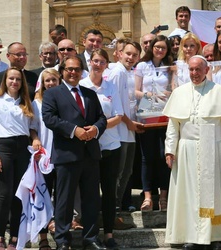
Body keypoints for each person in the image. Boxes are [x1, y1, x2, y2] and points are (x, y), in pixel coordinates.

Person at [163, 55, 221, 250]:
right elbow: (173, 126)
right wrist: (170, 150)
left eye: (198, 69)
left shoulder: (218, 91)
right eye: (191, 70)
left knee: (214, 194)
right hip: (186, 150)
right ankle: (191, 236)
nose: (194, 73)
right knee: (189, 194)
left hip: (213, 147)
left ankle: (216, 236)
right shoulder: (179, 93)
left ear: (206, 69)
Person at [42, 56, 107, 250]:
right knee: (64, 200)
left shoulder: (89, 93)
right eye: (69, 69)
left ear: (81, 71)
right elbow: (49, 118)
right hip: (66, 154)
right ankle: (62, 240)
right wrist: (74, 130)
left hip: (90, 154)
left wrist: (94, 130)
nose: (73, 72)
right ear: (62, 71)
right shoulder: (53, 93)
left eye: (77, 69)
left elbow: (101, 118)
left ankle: (91, 238)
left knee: (91, 199)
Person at [0, 67, 38, 250]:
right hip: (4, 147)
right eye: (11, 79)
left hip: (22, 148)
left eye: (18, 79)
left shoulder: (26, 102)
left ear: (22, 82)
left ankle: (15, 237)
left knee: (18, 196)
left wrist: (36, 139)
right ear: (5, 81)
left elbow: (32, 127)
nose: (14, 82)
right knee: (4, 194)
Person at [80, 49, 123, 249]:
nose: (98, 64)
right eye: (95, 61)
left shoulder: (111, 87)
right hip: (88, 147)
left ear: (107, 65)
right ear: (90, 62)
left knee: (108, 192)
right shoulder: (81, 86)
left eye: (102, 61)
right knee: (89, 192)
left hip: (110, 146)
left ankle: (108, 233)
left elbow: (118, 116)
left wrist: (98, 128)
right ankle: (90, 234)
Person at [134, 35, 173, 212]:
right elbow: (136, 91)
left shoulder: (171, 66)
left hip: (165, 115)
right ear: (151, 48)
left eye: (163, 47)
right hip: (147, 114)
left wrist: (167, 93)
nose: (159, 50)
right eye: (157, 46)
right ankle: (148, 196)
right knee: (147, 157)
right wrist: (149, 95)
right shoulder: (142, 66)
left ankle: (164, 197)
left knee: (164, 155)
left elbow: (174, 88)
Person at [107, 42, 143, 216]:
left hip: (129, 131)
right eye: (128, 54)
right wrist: (129, 123)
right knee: (118, 173)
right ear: (119, 53)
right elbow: (115, 102)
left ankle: (117, 207)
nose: (131, 58)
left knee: (127, 172)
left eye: (134, 55)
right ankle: (112, 210)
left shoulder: (128, 73)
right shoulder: (117, 72)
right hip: (119, 131)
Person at [31, 68, 61, 250]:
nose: (50, 83)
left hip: (63, 156)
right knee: (42, 197)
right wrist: (35, 138)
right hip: (44, 156)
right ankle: (43, 238)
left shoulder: (64, 100)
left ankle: (60, 236)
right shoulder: (36, 103)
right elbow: (33, 127)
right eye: (47, 81)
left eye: (53, 80)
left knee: (61, 198)